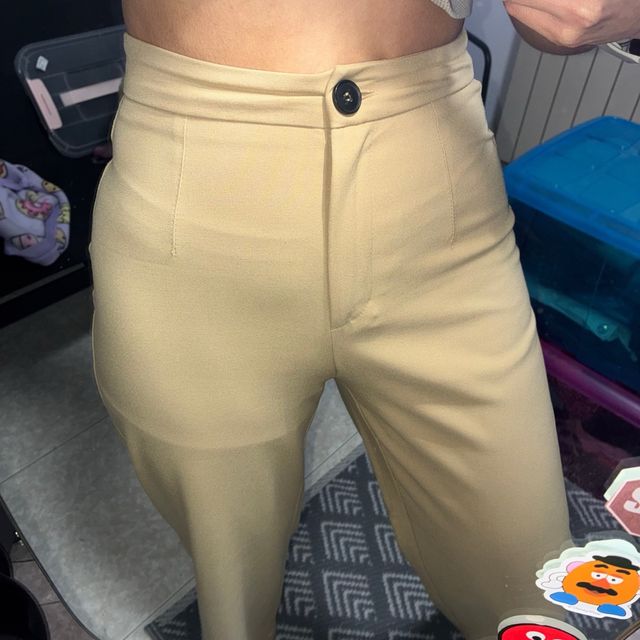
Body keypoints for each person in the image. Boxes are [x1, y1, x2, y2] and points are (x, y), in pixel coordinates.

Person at [87, 1, 631, 638]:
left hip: (438, 196)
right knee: (231, 574)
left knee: (529, 574)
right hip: (198, 202)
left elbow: (556, 24)